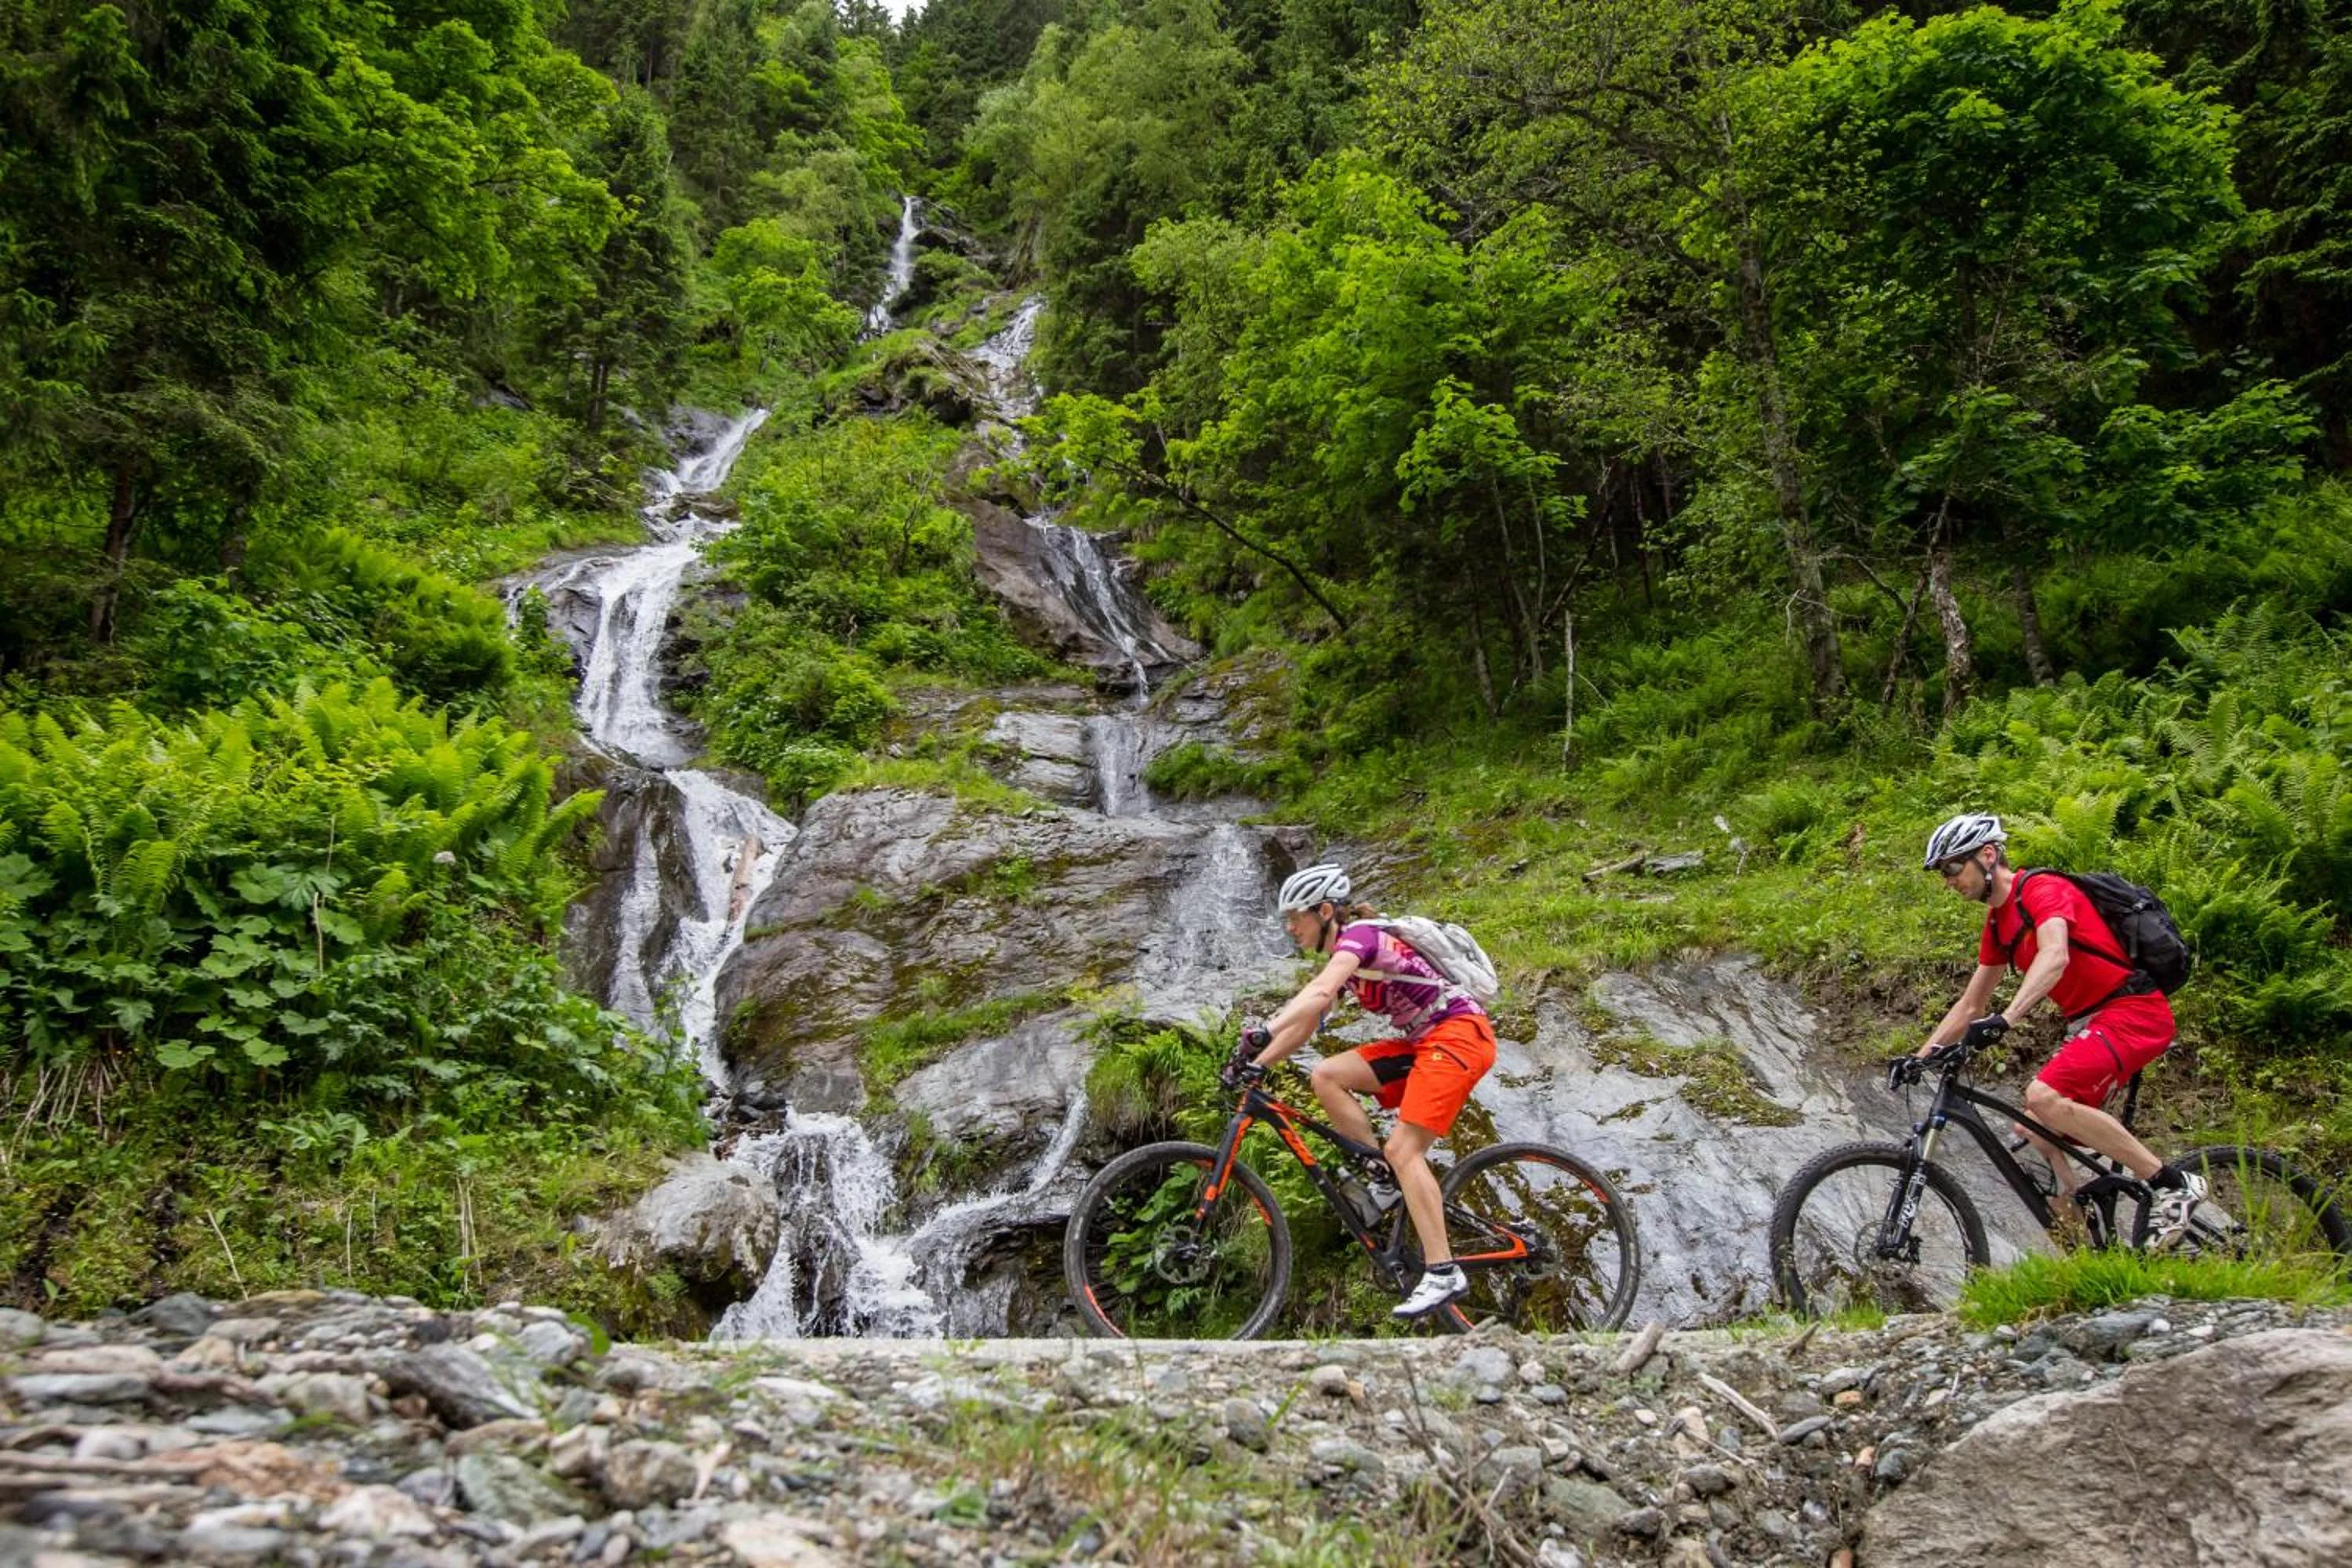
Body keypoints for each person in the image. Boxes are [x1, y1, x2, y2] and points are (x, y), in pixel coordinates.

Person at [1915, 812, 2207, 1245]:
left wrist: (2007, 1018)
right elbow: (1971, 1004)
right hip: (2093, 1022)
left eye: (1954, 867)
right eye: (1943, 873)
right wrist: (1917, 1059)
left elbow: (2055, 955)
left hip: (2132, 1011)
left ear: (1988, 855)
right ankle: (2092, 1252)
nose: (1950, 881)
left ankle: (2173, 1184)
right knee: (2033, 1128)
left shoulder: (2042, 889)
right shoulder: (1997, 924)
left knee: (2043, 1096)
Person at [1229, 863, 1499, 1318]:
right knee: (1327, 1076)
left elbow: (1319, 993)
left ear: (1325, 911)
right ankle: (1384, 1181)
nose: (1291, 928)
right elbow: (1308, 1022)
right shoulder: (1348, 958)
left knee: (1404, 1149)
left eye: (1296, 917)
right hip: (1426, 1041)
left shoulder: (1361, 937)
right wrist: (1256, 1064)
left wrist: (1264, 1029)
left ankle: (1443, 1271)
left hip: (1458, 1036)